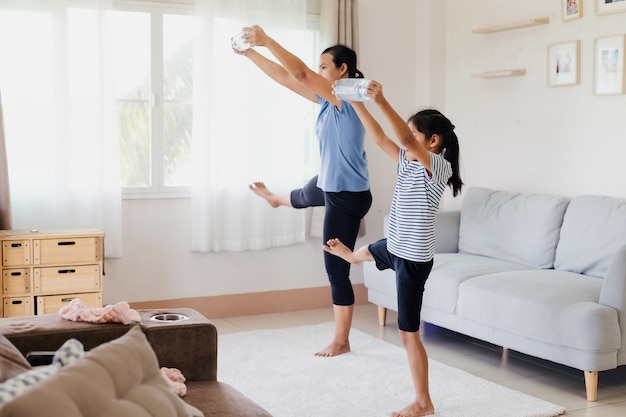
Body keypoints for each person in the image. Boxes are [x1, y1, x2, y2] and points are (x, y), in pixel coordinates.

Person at [323, 81, 463, 417]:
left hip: (413, 259)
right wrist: (354, 102)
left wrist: (381, 100)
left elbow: (400, 137)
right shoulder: (408, 161)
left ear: (433, 141)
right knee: (362, 253)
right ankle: (350, 254)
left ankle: (423, 402)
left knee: (407, 334)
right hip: (395, 244)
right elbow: (381, 139)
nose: (408, 140)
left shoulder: (437, 168)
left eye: (416, 135)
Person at [234, 25, 372, 357]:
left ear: (343, 70)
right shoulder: (326, 101)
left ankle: (341, 340)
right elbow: (286, 77)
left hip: (345, 195)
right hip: (328, 183)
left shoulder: (347, 95)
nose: (316, 72)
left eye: (323, 66)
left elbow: (297, 71)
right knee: (303, 195)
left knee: (335, 268)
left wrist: (268, 40)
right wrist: (249, 52)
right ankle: (275, 199)